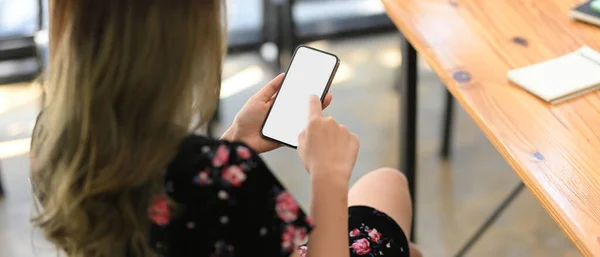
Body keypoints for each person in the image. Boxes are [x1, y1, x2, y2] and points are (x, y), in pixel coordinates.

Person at [30, 1, 420, 257]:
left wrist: (234, 139)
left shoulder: (55, 136)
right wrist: (328, 178)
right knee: (388, 184)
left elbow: (172, 199)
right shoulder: (225, 178)